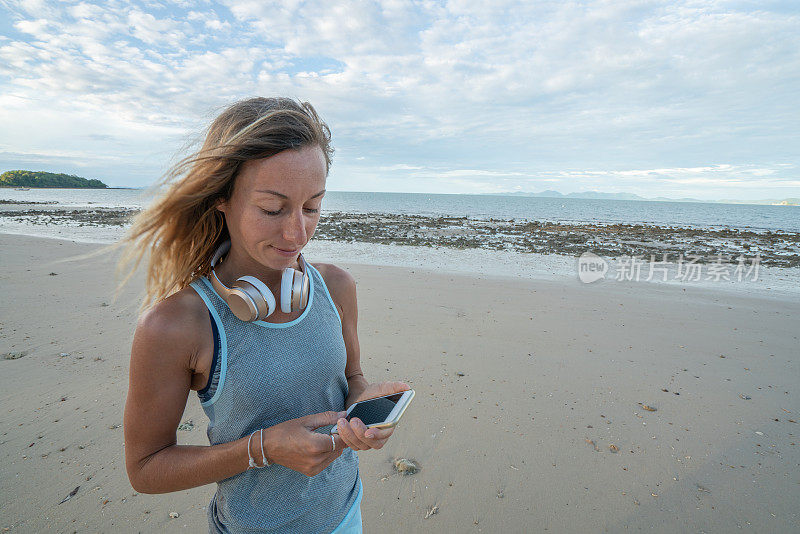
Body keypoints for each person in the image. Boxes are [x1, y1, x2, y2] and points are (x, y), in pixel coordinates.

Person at [120, 96, 410, 533]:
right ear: (222, 198)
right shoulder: (177, 325)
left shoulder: (336, 288)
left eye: (312, 207)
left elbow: (351, 381)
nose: (297, 233)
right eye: (272, 209)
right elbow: (145, 469)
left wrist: (361, 414)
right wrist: (262, 449)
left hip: (346, 514)